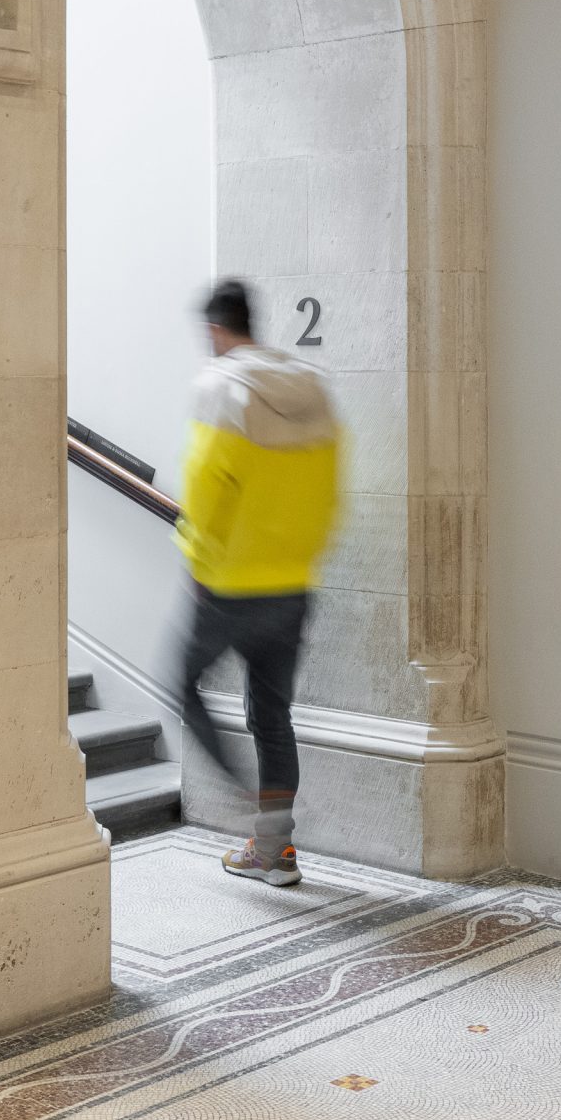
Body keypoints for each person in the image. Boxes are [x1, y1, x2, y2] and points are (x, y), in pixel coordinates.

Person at [173, 278, 341, 886]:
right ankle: (274, 848)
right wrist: (299, 558)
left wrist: (197, 562)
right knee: (272, 716)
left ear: (216, 329)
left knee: (183, 683)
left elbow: (204, 491)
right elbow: (330, 493)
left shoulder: (221, 389)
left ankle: (240, 793)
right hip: (292, 583)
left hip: (229, 584)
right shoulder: (313, 390)